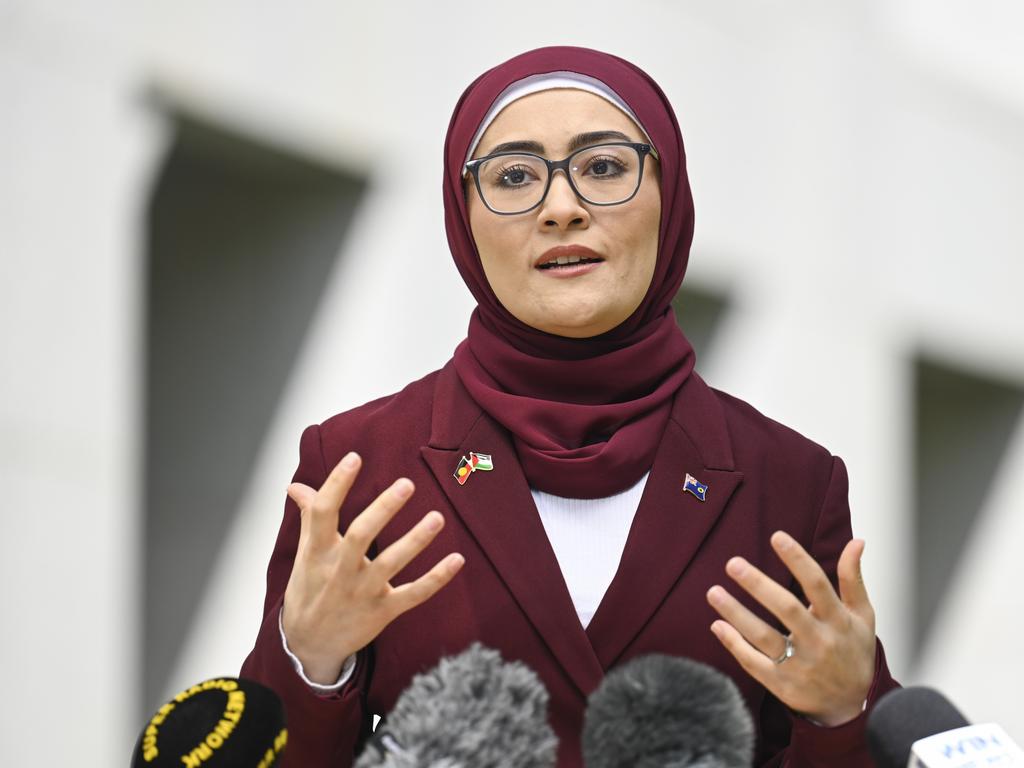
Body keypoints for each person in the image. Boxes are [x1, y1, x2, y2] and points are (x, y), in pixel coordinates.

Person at [241, 45, 898, 767]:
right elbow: (266, 751)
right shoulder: (362, 463)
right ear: (462, 218)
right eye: (515, 177)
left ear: (669, 193)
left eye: (605, 167)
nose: (562, 209)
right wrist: (311, 662)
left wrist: (840, 713)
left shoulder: (789, 479)